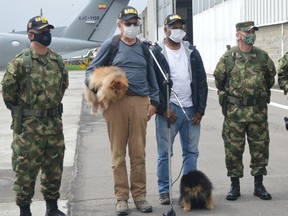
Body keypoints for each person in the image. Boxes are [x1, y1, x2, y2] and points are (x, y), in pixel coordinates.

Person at [84, 6, 159, 216]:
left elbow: (152, 76)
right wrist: (98, 90)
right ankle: (121, 199)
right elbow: (91, 70)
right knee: (118, 155)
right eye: (128, 24)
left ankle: (140, 197)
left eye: (136, 23)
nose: (133, 27)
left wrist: (155, 102)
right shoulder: (112, 44)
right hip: (116, 104)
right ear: (120, 25)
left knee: (138, 154)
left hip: (140, 103)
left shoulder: (144, 48)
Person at [1, 16, 68, 216]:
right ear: (31, 35)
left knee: (54, 168)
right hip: (29, 129)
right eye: (41, 31)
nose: (46, 35)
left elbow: (62, 86)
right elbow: (9, 94)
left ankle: (52, 208)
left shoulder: (57, 60)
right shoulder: (20, 62)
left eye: (48, 31)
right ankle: (25, 210)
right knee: (25, 171)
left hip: (54, 125)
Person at [213, 21, 276, 201]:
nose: (251, 35)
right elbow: (220, 80)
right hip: (235, 113)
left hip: (258, 112)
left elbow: (270, 78)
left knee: (260, 148)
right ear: (238, 35)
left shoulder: (262, 57)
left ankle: (259, 184)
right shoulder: (229, 57)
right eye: (247, 32)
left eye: (253, 32)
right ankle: (235, 185)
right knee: (233, 150)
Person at [151, 14, 208, 205]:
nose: (178, 30)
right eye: (173, 26)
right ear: (165, 29)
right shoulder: (156, 53)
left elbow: (201, 82)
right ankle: (164, 191)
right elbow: (153, 84)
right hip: (169, 110)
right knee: (165, 153)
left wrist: (200, 109)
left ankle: (189, 192)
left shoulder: (192, 51)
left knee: (191, 152)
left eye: (180, 26)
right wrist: (162, 108)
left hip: (191, 109)